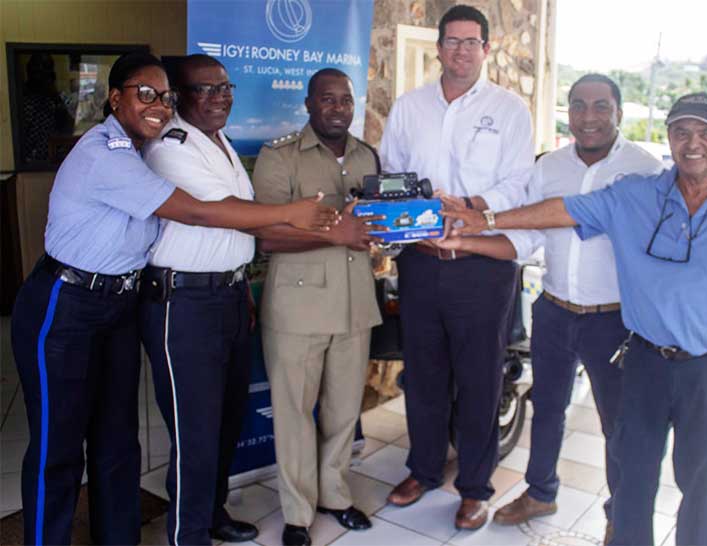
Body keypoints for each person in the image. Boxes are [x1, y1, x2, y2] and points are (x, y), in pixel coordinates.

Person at [10, 52, 337, 546]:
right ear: (114, 97)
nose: (158, 105)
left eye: (163, 96)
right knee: (59, 447)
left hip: (120, 303)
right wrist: (293, 215)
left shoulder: (153, 147)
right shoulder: (107, 152)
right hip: (66, 301)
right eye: (146, 94)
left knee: (118, 441)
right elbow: (198, 214)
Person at [443, 92, 707, 545]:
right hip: (645, 361)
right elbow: (562, 210)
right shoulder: (635, 194)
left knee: (706, 480)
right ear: (670, 137)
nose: (694, 144)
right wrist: (483, 219)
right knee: (632, 477)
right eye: (682, 132)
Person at [441, 75, 662, 539]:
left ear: (618, 112)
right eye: (579, 105)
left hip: (615, 319)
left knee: (617, 425)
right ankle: (540, 491)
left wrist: (483, 220)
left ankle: (619, 515)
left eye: (601, 106)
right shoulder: (550, 167)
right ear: (569, 112)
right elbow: (527, 238)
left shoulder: (645, 169)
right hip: (555, 309)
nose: (589, 116)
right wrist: (465, 242)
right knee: (547, 406)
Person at [379, 4, 533, 530]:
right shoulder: (409, 107)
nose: (461, 51)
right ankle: (422, 469)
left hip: (480, 268)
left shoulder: (510, 110)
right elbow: (391, 173)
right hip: (421, 264)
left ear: (485, 50)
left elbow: (517, 185)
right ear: (438, 46)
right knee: (422, 373)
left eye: (472, 42)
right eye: (453, 41)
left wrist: (465, 205)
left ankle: (473, 487)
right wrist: (411, 208)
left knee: (479, 378)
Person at [251, 68, 385, 546]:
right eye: (327, 100)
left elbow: (373, 224)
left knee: (344, 411)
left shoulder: (367, 156)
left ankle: (335, 495)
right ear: (308, 104)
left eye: (345, 100)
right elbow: (267, 235)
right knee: (293, 413)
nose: (337, 108)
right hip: (297, 311)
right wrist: (335, 232)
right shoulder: (280, 155)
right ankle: (296, 513)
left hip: (354, 307)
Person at [139, 54, 261, 545]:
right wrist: (295, 215)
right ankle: (187, 536)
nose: (219, 97)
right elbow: (219, 215)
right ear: (179, 97)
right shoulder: (169, 145)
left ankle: (212, 515)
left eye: (225, 87)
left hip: (228, 296)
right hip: (183, 305)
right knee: (195, 432)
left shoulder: (218, 139)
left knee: (228, 421)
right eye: (205, 90)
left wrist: (241, 289)